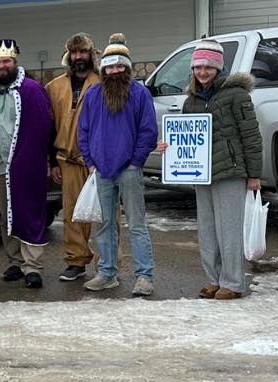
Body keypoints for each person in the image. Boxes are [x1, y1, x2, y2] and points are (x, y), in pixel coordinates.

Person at [158, 40, 262, 300]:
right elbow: (185, 135)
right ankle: (214, 279)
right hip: (200, 173)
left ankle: (233, 283)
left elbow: (251, 136)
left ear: (218, 68)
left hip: (230, 171)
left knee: (229, 229)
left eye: (208, 67)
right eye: (198, 67)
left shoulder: (237, 95)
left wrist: (254, 174)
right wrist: (168, 146)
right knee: (207, 229)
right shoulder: (190, 101)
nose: (203, 72)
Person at [79, 34, 158, 296]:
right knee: (104, 225)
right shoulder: (93, 95)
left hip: (129, 170)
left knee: (136, 224)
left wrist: (136, 161)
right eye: (110, 66)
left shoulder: (140, 93)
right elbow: (84, 131)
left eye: (120, 66)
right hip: (100, 170)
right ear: (103, 69)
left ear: (127, 67)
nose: (115, 71)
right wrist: (90, 161)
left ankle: (144, 276)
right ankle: (107, 273)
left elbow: (148, 131)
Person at [0, 39, 53, 289]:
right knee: (4, 216)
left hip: (25, 166)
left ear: (15, 62)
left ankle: (32, 266)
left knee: (29, 213)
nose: (2, 65)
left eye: (6, 61)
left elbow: (44, 127)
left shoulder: (31, 90)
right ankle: (14, 260)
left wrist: (37, 158)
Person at [45, 33, 101, 282]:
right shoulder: (54, 87)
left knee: (105, 214)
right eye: (75, 52)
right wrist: (52, 160)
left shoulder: (103, 82)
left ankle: (107, 263)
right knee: (72, 212)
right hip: (67, 159)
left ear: (92, 54)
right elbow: (48, 127)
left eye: (83, 52)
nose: (79, 57)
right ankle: (76, 261)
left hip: (100, 162)